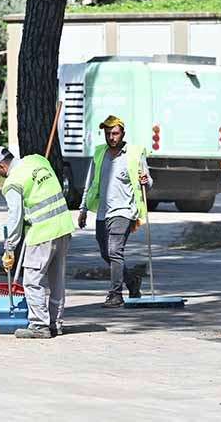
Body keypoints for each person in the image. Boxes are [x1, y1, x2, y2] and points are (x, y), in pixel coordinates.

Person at [0, 146, 74, 338]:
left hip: (42, 233)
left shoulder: (12, 182)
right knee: (57, 280)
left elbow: (15, 218)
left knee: (32, 281)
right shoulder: (38, 160)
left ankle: (39, 325)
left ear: (1, 166)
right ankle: (55, 324)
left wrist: (9, 247)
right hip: (63, 226)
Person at [77, 115, 152, 308]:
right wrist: (83, 209)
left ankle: (115, 294)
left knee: (114, 251)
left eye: (115, 133)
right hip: (103, 212)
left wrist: (146, 181)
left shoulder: (134, 154)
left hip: (124, 211)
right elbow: (89, 183)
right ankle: (132, 282)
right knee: (106, 253)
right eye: (108, 133)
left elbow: (148, 182)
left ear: (123, 134)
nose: (111, 137)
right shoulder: (99, 153)